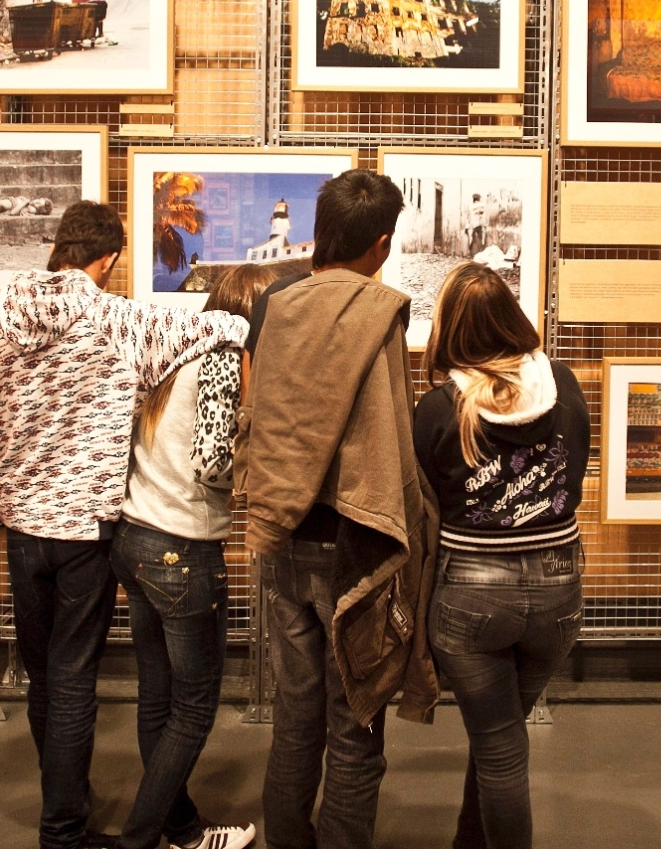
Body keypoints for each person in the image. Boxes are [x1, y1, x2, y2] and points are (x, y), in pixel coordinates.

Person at [0, 201, 249, 849]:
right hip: (83, 530)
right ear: (107, 259)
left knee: (45, 675)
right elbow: (217, 330)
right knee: (72, 682)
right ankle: (63, 832)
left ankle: (63, 796)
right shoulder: (112, 317)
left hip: (19, 524)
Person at [238, 169, 439, 849]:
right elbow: (385, 432)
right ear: (381, 244)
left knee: (295, 721)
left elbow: (260, 414)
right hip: (354, 540)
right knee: (356, 719)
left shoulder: (272, 304)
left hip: (284, 535)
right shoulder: (385, 309)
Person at [413, 263, 589, 849]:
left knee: (499, 749)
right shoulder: (564, 384)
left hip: (470, 593)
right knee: (503, 736)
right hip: (559, 587)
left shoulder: (440, 408)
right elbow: (578, 476)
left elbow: (427, 501)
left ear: (450, 329)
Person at [110, 264, 276, 849]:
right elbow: (210, 461)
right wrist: (265, 468)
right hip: (183, 548)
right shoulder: (227, 352)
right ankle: (139, 838)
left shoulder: (176, 346)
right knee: (195, 707)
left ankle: (180, 829)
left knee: (156, 698)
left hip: (135, 538)